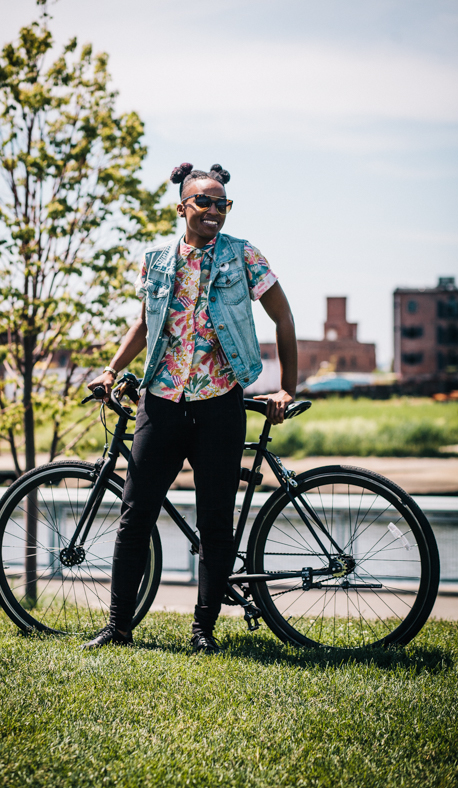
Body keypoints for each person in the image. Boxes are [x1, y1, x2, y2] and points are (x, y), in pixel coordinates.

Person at [83, 163, 297, 654]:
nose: (214, 212)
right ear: (182, 207)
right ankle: (118, 628)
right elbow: (143, 324)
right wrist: (113, 368)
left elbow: (284, 316)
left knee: (215, 520)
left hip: (220, 403)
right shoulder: (156, 260)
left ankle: (204, 631)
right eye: (204, 202)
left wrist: (286, 386)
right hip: (161, 402)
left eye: (222, 204)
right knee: (135, 515)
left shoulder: (243, 256)